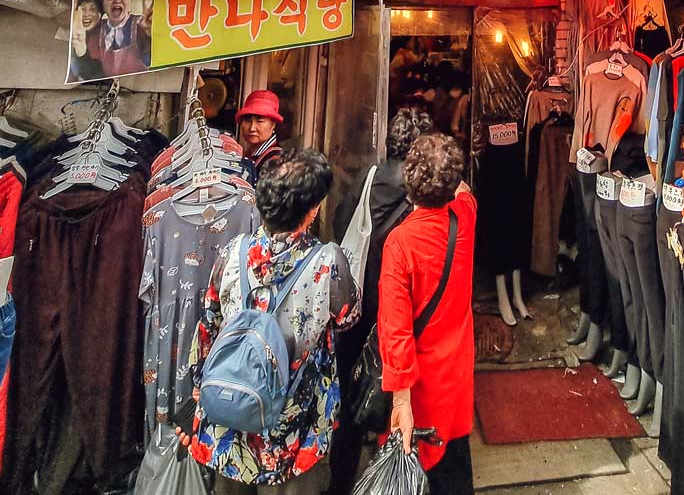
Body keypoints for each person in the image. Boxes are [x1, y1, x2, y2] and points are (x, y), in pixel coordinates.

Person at [180, 148, 360, 493]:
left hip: (229, 421)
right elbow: (347, 319)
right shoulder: (328, 262)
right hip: (293, 429)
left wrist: (198, 395)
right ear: (311, 211)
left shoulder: (232, 252)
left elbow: (207, 328)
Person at [329, 107, 434, 488]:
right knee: (395, 392)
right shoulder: (423, 193)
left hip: (358, 304)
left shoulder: (368, 177)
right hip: (397, 307)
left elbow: (342, 222)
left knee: (350, 393)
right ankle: (392, 476)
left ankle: (341, 478)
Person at [379, 134, 476, 495]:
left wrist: (400, 399)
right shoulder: (464, 217)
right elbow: (464, 191)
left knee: (419, 471)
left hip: (419, 384)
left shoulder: (400, 243)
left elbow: (395, 328)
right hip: (455, 371)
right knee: (455, 463)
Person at [97, 0, 152, 75]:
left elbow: (151, 59)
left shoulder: (141, 25)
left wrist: (149, 33)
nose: (117, 0)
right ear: (103, 1)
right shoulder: (97, 28)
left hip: (134, 85)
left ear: (131, 1)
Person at [236, 90, 284, 183]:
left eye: (260, 121)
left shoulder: (275, 161)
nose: (252, 128)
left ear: (273, 124)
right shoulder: (250, 154)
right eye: (248, 121)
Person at [68, 0, 104, 81]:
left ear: (99, 15)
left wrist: (81, 51)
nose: (86, 14)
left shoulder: (104, 38)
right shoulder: (68, 31)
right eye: (83, 9)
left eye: (92, 9)